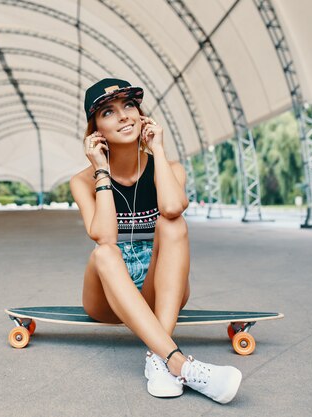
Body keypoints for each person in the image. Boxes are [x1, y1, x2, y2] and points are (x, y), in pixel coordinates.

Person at [69, 78, 242, 403]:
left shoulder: (170, 168)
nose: (123, 116)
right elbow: (104, 236)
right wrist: (101, 170)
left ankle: (158, 361)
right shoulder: (83, 180)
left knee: (173, 225)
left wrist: (158, 149)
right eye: (109, 112)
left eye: (129, 106)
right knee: (104, 253)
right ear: (96, 130)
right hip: (108, 297)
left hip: (158, 291)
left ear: (142, 116)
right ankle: (178, 362)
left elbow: (173, 207)